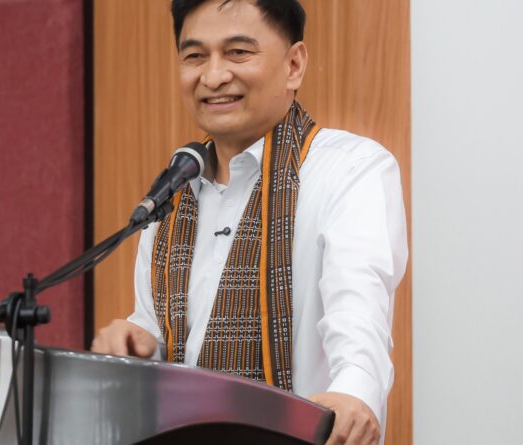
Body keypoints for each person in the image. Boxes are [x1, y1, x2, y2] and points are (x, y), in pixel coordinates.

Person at [90, 1, 408, 444]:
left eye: (238, 52)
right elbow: (160, 336)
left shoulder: (350, 169)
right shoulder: (172, 191)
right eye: (195, 56)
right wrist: (135, 341)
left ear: (294, 65)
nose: (213, 76)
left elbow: (358, 313)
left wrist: (355, 392)